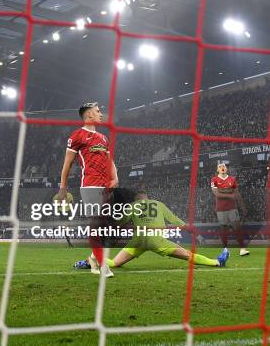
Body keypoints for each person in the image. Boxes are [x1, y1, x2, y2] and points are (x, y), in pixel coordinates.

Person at [76, 190, 229, 268]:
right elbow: (176, 220)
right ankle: (217, 262)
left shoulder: (132, 206)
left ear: (137, 199)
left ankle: (90, 262)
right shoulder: (158, 204)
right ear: (147, 197)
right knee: (188, 255)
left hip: (139, 239)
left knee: (115, 263)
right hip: (155, 239)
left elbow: (118, 223)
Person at [57, 102, 118, 277]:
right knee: (95, 223)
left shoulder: (103, 138)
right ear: (89, 115)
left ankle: (92, 258)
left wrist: (115, 177)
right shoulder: (77, 136)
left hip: (105, 186)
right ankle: (103, 265)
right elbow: (67, 163)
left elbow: (109, 160)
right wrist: (63, 187)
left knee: (106, 227)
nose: (101, 114)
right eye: (98, 112)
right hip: (89, 184)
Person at [211, 163, 249, 256]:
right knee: (224, 229)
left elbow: (237, 194)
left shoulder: (232, 179)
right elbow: (217, 194)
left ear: (226, 168)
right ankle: (225, 250)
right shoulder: (214, 179)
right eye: (220, 167)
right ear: (217, 170)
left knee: (237, 227)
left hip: (232, 207)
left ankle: (242, 249)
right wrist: (230, 195)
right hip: (220, 209)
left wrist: (242, 206)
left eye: (224, 166)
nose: (222, 168)